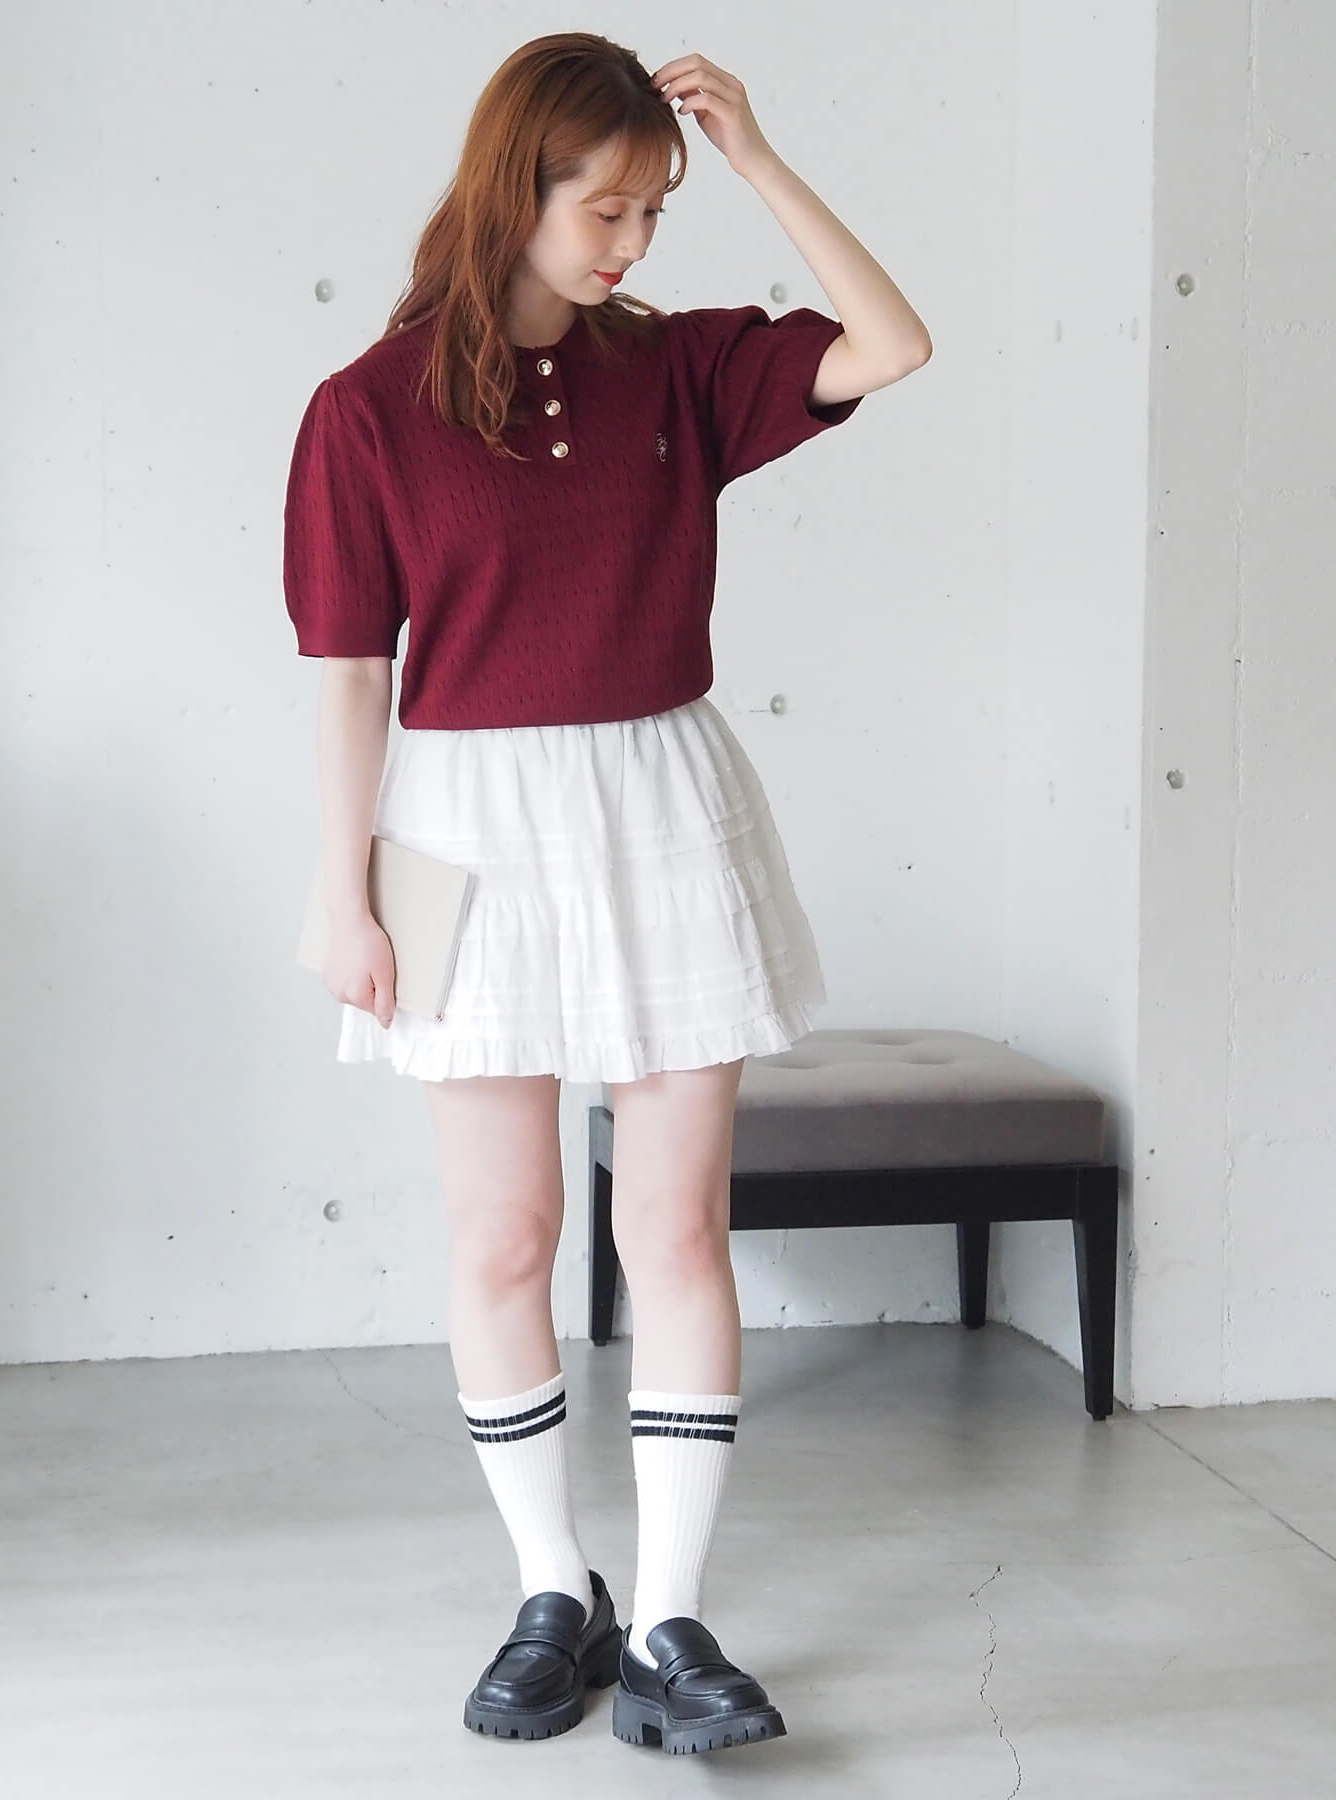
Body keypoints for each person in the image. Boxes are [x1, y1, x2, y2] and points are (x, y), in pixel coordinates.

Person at [282, 31, 931, 1756]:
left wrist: (763, 160)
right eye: (606, 209)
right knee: (504, 1234)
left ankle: (670, 1622)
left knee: (675, 1231)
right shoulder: (367, 410)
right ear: (518, 188)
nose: (633, 244)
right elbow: (349, 675)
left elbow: (893, 343)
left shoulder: (679, 368)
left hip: (659, 805)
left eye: (656, 210)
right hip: (453, 829)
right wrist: (343, 893)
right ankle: (548, 1591)